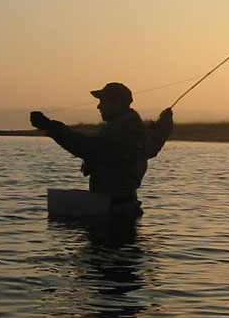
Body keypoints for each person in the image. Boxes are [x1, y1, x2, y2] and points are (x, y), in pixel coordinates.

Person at [30, 82, 174, 218]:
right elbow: (155, 142)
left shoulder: (119, 132)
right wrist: (164, 123)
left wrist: (50, 126)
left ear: (117, 104)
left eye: (103, 102)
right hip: (125, 208)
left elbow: (87, 147)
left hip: (113, 211)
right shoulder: (136, 130)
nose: (99, 107)